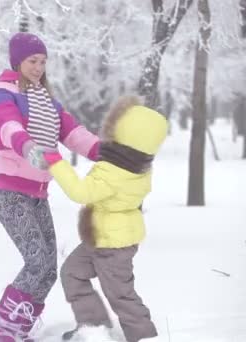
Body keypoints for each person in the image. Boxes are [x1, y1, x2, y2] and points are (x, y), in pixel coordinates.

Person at [0, 32, 100, 341]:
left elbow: (73, 133)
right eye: (33, 61)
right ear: (18, 60)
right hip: (11, 194)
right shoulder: (1, 93)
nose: (38, 67)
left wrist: (107, 152)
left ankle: (18, 329)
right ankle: (1, 331)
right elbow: (8, 126)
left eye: (43, 62)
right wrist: (27, 147)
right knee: (37, 262)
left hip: (37, 196)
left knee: (48, 268)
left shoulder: (45, 99)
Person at [41, 96, 167, 342]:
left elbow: (80, 191)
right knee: (72, 273)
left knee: (121, 295)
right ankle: (94, 328)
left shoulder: (114, 172)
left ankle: (145, 336)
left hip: (113, 245)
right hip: (101, 238)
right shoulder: (136, 167)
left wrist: (56, 163)